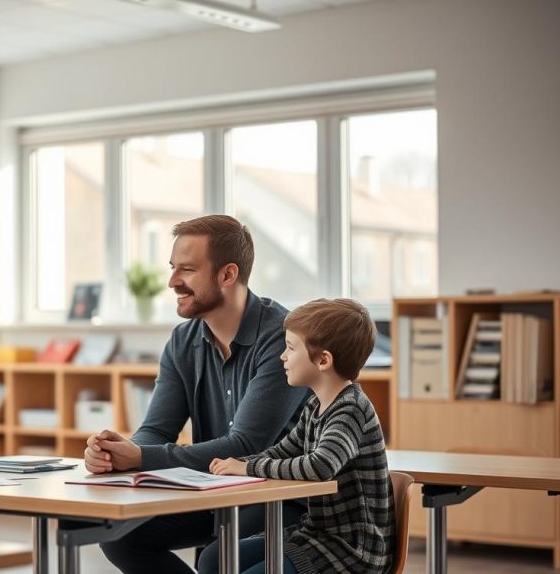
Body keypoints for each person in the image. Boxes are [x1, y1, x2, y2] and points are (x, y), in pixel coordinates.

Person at [84, 215, 311, 574]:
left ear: (227, 275)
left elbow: (245, 445)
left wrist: (140, 457)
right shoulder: (182, 341)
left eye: (187, 270)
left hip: (281, 499)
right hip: (215, 491)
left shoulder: (283, 339)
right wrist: (116, 454)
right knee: (118, 537)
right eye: (173, 268)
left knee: (217, 559)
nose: (172, 281)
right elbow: (156, 431)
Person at [201, 298, 395, 574]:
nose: (283, 356)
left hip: (350, 550)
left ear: (323, 360)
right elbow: (283, 451)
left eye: (290, 348)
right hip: (314, 536)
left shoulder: (350, 409)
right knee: (213, 559)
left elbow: (321, 465)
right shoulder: (315, 405)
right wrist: (234, 465)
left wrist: (248, 467)